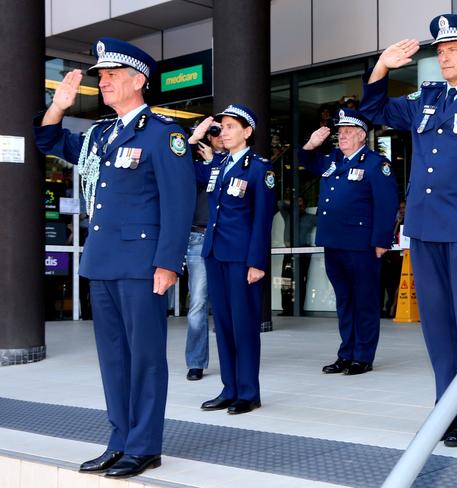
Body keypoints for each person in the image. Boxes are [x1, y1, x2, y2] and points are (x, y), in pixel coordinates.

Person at [33, 38, 195, 477]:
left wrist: (168, 263)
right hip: (102, 261)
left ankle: (144, 446)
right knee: (113, 360)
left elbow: (178, 203)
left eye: (111, 75)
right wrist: (59, 104)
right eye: (100, 76)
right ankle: (119, 440)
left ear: (138, 81)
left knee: (145, 358)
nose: (102, 82)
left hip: (143, 263)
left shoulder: (165, 135)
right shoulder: (102, 134)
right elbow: (47, 139)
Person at [360, 14, 457, 446]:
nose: (445, 56)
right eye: (440, 50)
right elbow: (372, 110)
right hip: (426, 227)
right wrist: (382, 67)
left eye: (453, 50)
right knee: (435, 324)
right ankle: (447, 405)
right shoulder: (426, 98)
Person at [299, 108, 399, 375]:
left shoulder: (376, 164)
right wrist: (311, 144)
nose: (341, 137)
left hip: (361, 245)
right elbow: (306, 160)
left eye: (346, 133)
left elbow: (386, 205)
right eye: (340, 133)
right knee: (344, 301)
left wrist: (381, 241)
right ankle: (346, 353)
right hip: (334, 243)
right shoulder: (333, 160)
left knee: (364, 301)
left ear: (361, 136)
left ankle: (363, 356)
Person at [192, 105, 275, 414]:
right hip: (215, 254)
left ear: (247, 132)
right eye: (221, 127)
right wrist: (193, 139)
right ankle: (229, 387)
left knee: (244, 325)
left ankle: (248, 392)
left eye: (229, 127)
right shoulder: (218, 165)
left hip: (242, 259)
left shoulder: (258, 169)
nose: (223, 133)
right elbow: (185, 168)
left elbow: (262, 219)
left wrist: (257, 263)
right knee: (223, 325)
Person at [184, 119, 226, 381]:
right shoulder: (199, 166)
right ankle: (196, 362)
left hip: (226, 239)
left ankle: (232, 359)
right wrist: (209, 162)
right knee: (198, 303)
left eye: (226, 130)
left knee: (227, 304)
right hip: (199, 238)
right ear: (207, 139)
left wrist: (215, 163)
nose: (221, 135)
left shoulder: (238, 163)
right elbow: (179, 166)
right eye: (215, 132)